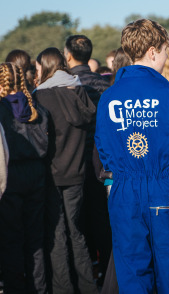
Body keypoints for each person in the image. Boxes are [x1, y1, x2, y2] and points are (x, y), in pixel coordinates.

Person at [95, 19, 169, 294]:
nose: (167, 57)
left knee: (132, 273)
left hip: (124, 190)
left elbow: (103, 146)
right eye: (166, 50)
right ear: (153, 51)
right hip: (164, 186)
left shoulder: (109, 97)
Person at [35, 47, 98, 294]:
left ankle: (63, 289)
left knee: (57, 235)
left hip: (51, 174)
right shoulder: (80, 91)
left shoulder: (41, 97)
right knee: (76, 232)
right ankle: (88, 287)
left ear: (46, 66)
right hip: (77, 172)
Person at [64, 34, 112, 283]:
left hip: (74, 159)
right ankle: (105, 269)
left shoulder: (65, 87)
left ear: (68, 55)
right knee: (103, 217)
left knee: (78, 220)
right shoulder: (105, 85)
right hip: (102, 160)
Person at [0, 63, 49, 293]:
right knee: (35, 239)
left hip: (10, 175)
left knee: (12, 239)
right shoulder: (35, 106)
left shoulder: (2, 109)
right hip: (37, 174)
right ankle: (38, 288)